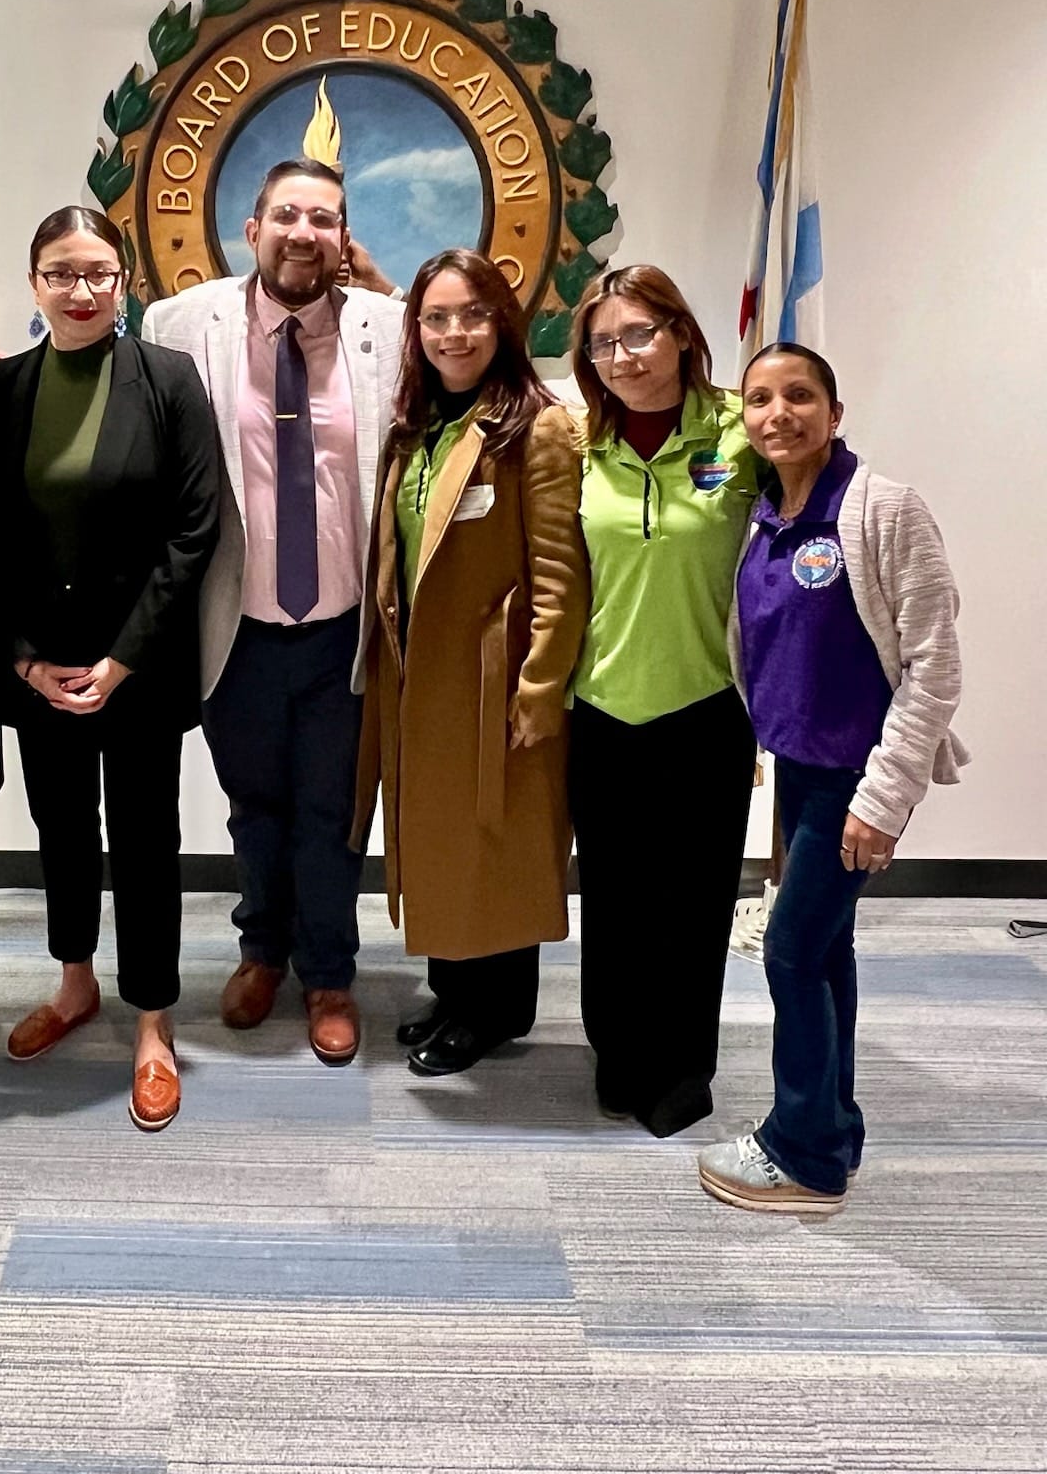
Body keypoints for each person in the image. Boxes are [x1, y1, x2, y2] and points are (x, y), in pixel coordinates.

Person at [142, 160, 406, 1066]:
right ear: (251, 230)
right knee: (254, 804)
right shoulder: (177, 325)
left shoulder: (392, 328)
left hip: (344, 626)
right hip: (237, 624)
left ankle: (329, 973)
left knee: (331, 811)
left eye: (324, 219)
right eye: (286, 215)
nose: (305, 232)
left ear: (345, 239)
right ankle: (261, 951)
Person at [0, 207, 219, 1131]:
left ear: (125, 283)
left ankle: (153, 1022)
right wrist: (24, 659)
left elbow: (197, 529)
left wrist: (120, 660)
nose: (81, 291)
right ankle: (74, 986)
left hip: (136, 666)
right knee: (61, 827)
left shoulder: (170, 379)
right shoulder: (1, 392)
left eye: (99, 274)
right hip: (39, 666)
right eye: (62, 274)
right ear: (35, 283)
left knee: (146, 837)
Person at [698, 343, 965, 1212]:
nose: (779, 414)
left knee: (787, 952)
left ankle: (802, 1156)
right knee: (824, 950)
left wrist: (884, 800)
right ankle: (835, 1128)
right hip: (800, 774)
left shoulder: (883, 510)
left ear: (835, 412)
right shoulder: (763, 514)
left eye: (800, 396)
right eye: (760, 401)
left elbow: (934, 668)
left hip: (857, 780)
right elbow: (765, 653)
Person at [353, 251, 587, 1075]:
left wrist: (540, 688)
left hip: (496, 679)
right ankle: (453, 991)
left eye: (473, 315)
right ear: (415, 330)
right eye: (436, 318)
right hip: (422, 672)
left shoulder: (539, 425)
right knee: (439, 837)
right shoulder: (416, 425)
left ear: (503, 323)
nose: (455, 333)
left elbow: (560, 574)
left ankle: (494, 1011)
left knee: (499, 840)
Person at [567, 264, 760, 1138]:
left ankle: (685, 1062)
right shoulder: (580, 443)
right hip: (602, 708)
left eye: (639, 333)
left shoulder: (740, 432)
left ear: (681, 332)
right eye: (604, 342)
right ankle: (618, 1047)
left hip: (707, 707)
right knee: (613, 895)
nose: (622, 355)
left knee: (695, 896)